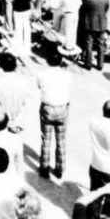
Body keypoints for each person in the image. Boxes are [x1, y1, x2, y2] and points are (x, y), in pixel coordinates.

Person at [36, 45, 70, 179]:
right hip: (62, 108)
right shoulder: (67, 75)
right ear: (61, 61)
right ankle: (59, 169)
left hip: (47, 108)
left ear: (47, 60)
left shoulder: (41, 74)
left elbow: (39, 87)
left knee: (46, 138)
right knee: (61, 140)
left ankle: (44, 167)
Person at [82, 0, 109, 71]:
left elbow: (84, 8)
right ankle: (100, 64)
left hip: (90, 22)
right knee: (101, 44)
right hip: (101, 23)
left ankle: (88, 63)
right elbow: (106, 7)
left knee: (89, 43)